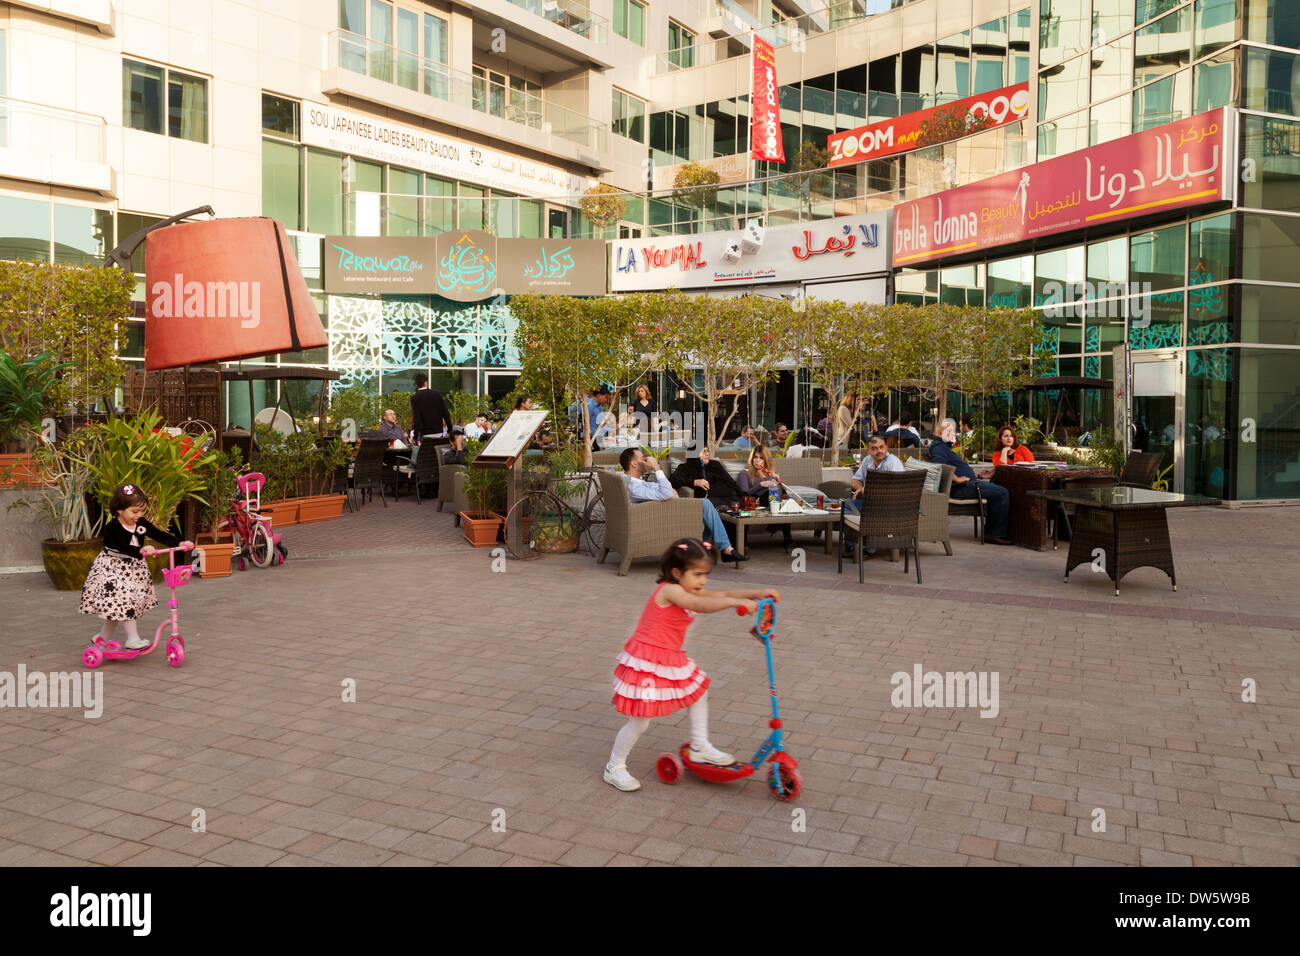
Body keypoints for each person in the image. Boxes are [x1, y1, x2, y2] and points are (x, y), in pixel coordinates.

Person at [603, 537, 780, 792]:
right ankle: (614, 767)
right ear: (677, 572)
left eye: (705, 575)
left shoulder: (688, 587)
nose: (703, 581)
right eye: (697, 575)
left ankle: (699, 747)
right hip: (647, 661)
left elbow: (724, 593)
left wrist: (757, 593)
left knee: (699, 692)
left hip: (669, 658)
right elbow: (700, 605)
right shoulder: (670, 590)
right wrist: (735, 604)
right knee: (640, 720)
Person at [79, 484, 193, 650]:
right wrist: (140, 550)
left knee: (118, 608)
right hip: (113, 569)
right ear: (119, 510)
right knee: (125, 601)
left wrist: (179, 542)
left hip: (133, 569)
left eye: (141, 511)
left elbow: (158, 534)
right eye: (134, 511)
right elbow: (121, 546)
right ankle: (132, 638)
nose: (138, 515)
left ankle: (101, 638)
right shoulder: (112, 528)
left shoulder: (141, 523)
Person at [620, 447, 748, 564]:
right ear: (634, 464)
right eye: (643, 458)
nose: (646, 460)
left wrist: (669, 492)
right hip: (659, 517)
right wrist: (657, 468)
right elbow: (666, 490)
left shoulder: (633, 481)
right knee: (705, 505)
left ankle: (714, 549)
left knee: (705, 508)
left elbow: (666, 489)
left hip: (660, 510)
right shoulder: (633, 486)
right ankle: (723, 548)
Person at [929, 418, 1013, 544]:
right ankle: (995, 534)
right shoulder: (938, 447)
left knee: (999, 489)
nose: (953, 434)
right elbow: (938, 465)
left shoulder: (944, 447)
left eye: (953, 431)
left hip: (968, 484)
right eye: (949, 431)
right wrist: (957, 478)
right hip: (959, 488)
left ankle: (992, 531)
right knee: (1002, 493)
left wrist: (978, 475)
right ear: (940, 434)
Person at [737, 445, 792, 550]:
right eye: (755, 457)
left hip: (772, 501)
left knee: (785, 498)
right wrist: (761, 485)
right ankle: (778, 528)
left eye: (761, 458)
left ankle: (787, 537)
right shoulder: (744, 473)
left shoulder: (770, 474)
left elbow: (779, 491)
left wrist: (777, 481)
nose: (757, 460)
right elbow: (745, 494)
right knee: (773, 496)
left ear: (766, 460)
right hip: (754, 502)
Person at [670, 445, 743, 508]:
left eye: (707, 451)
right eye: (703, 451)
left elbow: (730, 482)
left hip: (729, 496)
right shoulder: (686, 467)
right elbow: (673, 480)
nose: (707, 454)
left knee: (743, 505)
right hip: (712, 500)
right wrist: (695, 482)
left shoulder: (715, 464)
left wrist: (745, 495)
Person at [410, 373, 453, 465]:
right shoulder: (436, 394)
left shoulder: (415, 398)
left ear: (416, 385)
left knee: (427, 460)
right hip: (439, 434)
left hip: (426, 436)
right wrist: (450, 429)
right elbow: (446, 413)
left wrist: (415, 436)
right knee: (437, 458)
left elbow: (416, 419)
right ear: (426, 383)